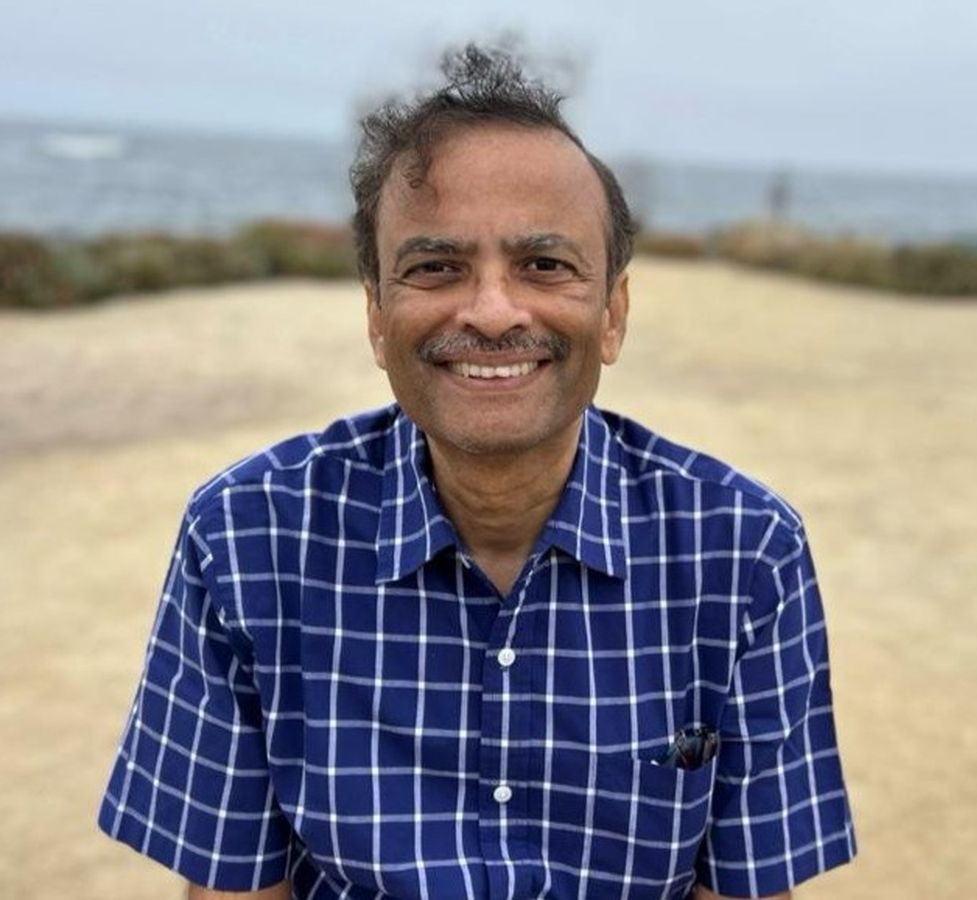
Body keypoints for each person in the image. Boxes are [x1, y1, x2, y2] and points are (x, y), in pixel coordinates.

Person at [98, 45, 856, 900]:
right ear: (377, 317)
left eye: (545, 265)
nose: (493, 312)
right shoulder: (245, 539)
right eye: (435, 267)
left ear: (612, 314)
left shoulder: (746, 553)